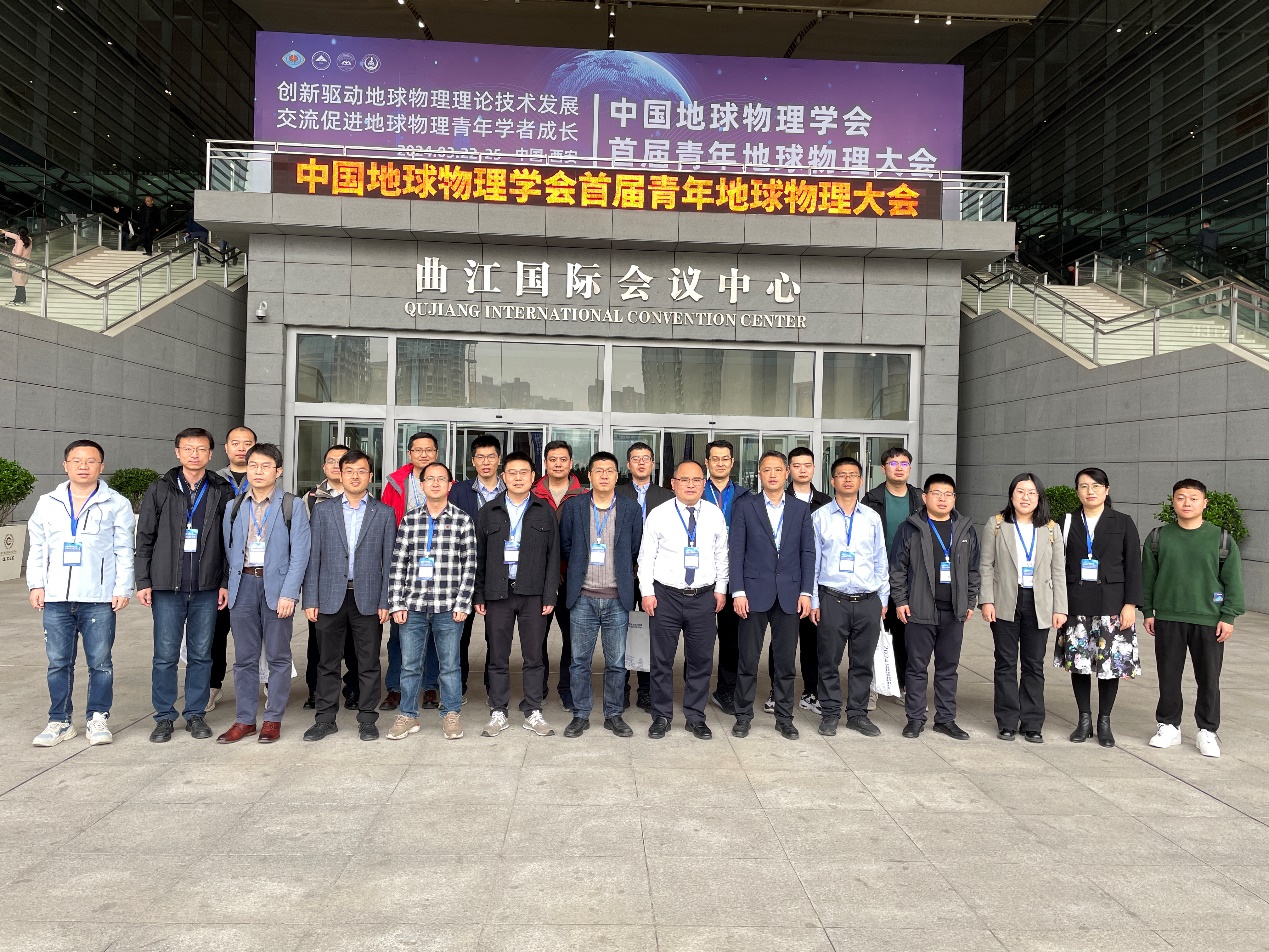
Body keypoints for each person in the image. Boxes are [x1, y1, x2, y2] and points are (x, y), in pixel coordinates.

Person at [27, 440, 135, 747]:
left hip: (98, 597)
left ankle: (97, 718)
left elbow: (124, 549)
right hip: (56, 597)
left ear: (101, 466)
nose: (83, 466)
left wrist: (122, 587)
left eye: (91, 461)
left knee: (100, 662)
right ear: (66, 465)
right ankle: (60, 721)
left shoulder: (116, 503)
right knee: (58, 662)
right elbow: (37, 547)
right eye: (77, 460)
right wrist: (36, 584)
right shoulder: (48, 502)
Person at [136, 428, 234, 743]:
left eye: (201, 449)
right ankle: (164, 717)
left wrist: (224, 581)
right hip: (167, 587)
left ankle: (195, 714)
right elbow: (145, 536)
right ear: (177, 452)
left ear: (210, 454)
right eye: (188, 448)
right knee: (165, 655)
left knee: (201, 654)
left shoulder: (221, 489)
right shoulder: (160, 488)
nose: (194, 454)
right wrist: (143, 580)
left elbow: (230, 541)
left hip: (207, 587)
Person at [1143, 478, 1245, 758]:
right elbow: (1147, 578)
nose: (1186, 503)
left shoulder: (1222, 539)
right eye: (1180, 497)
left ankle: (1207, 731)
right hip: (1168, 617)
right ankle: (1168, 726)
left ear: (1204, 503)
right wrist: (1148, 611)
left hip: (1209, 619)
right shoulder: (1158, 537)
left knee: (1209, 678)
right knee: (1168, 675)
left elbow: (1233, 580)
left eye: (1193, 498)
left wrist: (1229, 615)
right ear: (1173, 502)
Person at [217, 444, 310, 744]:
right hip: (242, 586)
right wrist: (227, 586)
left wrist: (289, 594)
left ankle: (272, 719)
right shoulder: (234, 506)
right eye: (253, 465)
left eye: (265, 466)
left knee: (278, 657)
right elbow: (228, 550)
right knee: (243, 658)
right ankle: (244, 720)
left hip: (276, 589)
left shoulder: (292, 505)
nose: (258, 471)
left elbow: (300, 554)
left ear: (278, 471)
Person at [302, 449, 394, 742]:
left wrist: (385, 601)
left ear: (370, 476)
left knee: (368, 663)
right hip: (329, 597)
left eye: (362, 471)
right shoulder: (323, 511)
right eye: (349, 471)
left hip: (367, 599)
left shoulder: (384, 513)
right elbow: (313, 557)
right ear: (340, 475)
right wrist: (310, 598)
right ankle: (325, 719)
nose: (355, 476)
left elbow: (389, 562)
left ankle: (367, 719)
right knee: (327, 663)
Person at [638, 460, 729, 740]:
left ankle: (695, 716)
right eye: (684, 480)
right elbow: (646, 556)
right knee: (661, 660)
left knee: (701, 661)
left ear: (704, 483)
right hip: (665, 596)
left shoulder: (714, 514)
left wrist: (721, 588)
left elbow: (721, 555)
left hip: (703, 597)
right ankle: (661, 716)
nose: (691, 485)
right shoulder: (659, 514)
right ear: (673, 483)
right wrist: (646, 591)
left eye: (697, 480)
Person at [1054, 467, 1142, 748]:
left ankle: (1104, 721)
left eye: (1096, 486)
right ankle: (1084, 719)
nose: (1090, 491)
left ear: (1107, 490)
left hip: (1112, 604)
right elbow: (1056, 564)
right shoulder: (1066, 521)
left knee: (1109, 666)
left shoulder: (1123, 522)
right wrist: (1058, 604)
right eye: (1083, 486)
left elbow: (1134, 566)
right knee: (1079, 664)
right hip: (1076, 602)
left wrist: (1130, 605)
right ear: (1077, 491)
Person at [387, 462, 475, 741]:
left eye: (441, 479)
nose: (435, 483)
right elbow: (398, 564)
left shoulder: (462, 520)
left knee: (450, 666)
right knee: (409, 665)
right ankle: (408, 715)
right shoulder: (410, 519)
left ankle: (451, 713)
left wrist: (463, 604)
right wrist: (397, 603)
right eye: (430, 479)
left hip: (448, 607)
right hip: (412, 606)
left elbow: (469, 565)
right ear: (422, 484)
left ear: (450, 485)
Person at [475, 452, 561, 738]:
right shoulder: (489, 511)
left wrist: (549, 595)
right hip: (498, 593)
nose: (518, 477)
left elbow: (553, 556)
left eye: (524, 472)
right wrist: (479, 595)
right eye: (512, 472)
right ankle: (498, 711)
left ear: (533, 477)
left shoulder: (544, 510)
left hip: (532, 594)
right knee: (497, 656)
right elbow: (480, 557)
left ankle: (533, 710)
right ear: (503, 477)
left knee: (533, 656)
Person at [730, 451, 814, 740]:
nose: (773, 475)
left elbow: (807, 552)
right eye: (767, 470)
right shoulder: (745, 506)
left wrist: (806, 592)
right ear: (760, 474)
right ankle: (743, 716)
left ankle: (784, 717)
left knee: (786, 663)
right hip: (752, 594)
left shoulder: (800, 509)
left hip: (790, 594)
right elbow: (736, 551)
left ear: (786, 473)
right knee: (747, 660)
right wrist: (738, 591)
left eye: (778, 469)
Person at [978, 473, 1067, 744]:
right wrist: (986, 600)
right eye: (1020, 491)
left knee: (1033, 664)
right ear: (1011, 495)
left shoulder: (1050, 528)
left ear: (1039, 497)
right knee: (1005, 662)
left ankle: (1032, 723)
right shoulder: (996, 524)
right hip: (1005, 599)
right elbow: (986, 565)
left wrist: (1060, 607)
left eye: (1031, 492)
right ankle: (1006, 721)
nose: (1025, 497)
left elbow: (1058, 570)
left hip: (1039, 601)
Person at [890, 474, 980, 741]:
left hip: (954, 611)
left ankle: (945, 719)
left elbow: (973, 570)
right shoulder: (911, 528)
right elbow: (897, 568)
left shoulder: (965, 529)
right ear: (925, 497)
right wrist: (901, 601)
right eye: (936, 493)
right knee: (916, 667)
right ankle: (915, 719)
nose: (942, 499)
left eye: (948, 494)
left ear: (954, 499)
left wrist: (970, 601)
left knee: (948, 668)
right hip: (919, 609)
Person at [560, 452, 643, 738]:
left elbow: (635, 548)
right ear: (589, 475)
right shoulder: (575, 507)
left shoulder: (630, 508)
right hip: (582, 597)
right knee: (579, 661)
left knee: (616, 662)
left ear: (617, 475)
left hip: (617, 598)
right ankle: (580, 714)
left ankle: (613, 714)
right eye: (599, 470)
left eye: (610, 470)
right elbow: (566, 545)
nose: (604, 475)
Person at [809, 457, 888, 737]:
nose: (847, 479)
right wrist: (815, 601)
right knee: (828, 661)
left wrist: (883, 598)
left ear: (860, 480)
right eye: (841, 475)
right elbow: (814, 562)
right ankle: (830, 713)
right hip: (833, 599)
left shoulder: (872, 518)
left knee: (862, 663)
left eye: (853, 474)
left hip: (867, 600)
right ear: (832, 481)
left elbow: (880, 559)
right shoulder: (819, 517)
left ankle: (857, 714)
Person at [381, 430, 446, 711]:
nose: (423, 454)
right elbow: (385, 523)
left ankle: (430, 686)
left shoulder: (444, 481)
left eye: (429, 450)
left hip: (440, 568)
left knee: (434, 631)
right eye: (418, 450)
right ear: (409, 454)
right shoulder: (395, 484)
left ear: (436, 453)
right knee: (400, 631)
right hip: (405, 567)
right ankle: (395, 687)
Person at [767, 446, 831, 716]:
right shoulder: (779, 498)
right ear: (788, 470)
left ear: (814, 468)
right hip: (783, 581)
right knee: (781, 641)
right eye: (796, 465)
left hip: (813, 581)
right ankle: (776, 691)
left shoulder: (826, 502)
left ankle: (811, 691)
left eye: (807, 465)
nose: (802, 470)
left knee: (812, 639)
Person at [862, 446, 923, 708]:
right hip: (878, 577)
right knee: (874, 632)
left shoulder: (920, 499)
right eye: (893, 463)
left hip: (913, 578)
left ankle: (903, 685)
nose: (899, 468)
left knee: (908, 635)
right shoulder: (871, 499)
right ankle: (872, 686)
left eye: (904, 463)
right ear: (883, 468)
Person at [447, 433, 506, 706]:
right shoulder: (459, 491)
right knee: (460, 634)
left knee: (496, 635)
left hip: (499, 571)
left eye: (491, 456)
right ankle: (457, 686)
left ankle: (493, 687)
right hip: (464, 571)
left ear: (499, 459)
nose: (486, 462)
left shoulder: (509, 489)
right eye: (480, 457)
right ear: (473, 461)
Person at [616, 441, 673, 712]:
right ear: (628, 464)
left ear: (653, 464)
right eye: (635, 458)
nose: (641, 462)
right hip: (623, 573)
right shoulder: (617, 492)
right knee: (622, 630)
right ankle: (621, 688)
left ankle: (647, 690)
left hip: (655, 575)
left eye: (646, 458)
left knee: (652, 633)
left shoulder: (667, 496)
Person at [302, 443, 359, 711]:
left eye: (342, 461)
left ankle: (353, 688)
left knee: (354, 642)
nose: (337, 465)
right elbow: (305, 544)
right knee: (318, 641)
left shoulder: (363, 496)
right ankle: (316, 690)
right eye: (331, 461)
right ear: (324, 467)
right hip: (324, 582)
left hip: (355, 583)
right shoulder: (311, 499)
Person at [532, 439, 587, 709]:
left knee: (572, 639)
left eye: (563, 459)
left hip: (572, 581)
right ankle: (538, 688)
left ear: (571, 463)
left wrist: (565, 570)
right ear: (545, 463)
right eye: (552, 459)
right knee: (536, 639)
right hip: (538, 581)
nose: (558, 464)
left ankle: (567, 688)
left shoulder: (584, 495)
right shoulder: (532, 493)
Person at [208, 425, 255, 713]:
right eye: (235, 443)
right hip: (218, 567)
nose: (241, 448)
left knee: (258, 633)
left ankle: (266, 681)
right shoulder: (212, 481)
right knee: (215, 631)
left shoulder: (263, 477)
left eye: (247, 443)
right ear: (225, 448)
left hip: (253, 568)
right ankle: (213, 685)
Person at [702, 439, 749, 716]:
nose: (720, 463)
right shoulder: (696, 491)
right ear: (707, 462)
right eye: (715, 458)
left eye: (725, 459)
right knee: (699, 638)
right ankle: (695, 689)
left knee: (732, 639)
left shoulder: (746, 496)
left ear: (732, 462)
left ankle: (726, 690)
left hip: (734, 576)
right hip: (701, 575)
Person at [3, 225, 32, 306]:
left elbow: (18, 253)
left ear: (18, 233)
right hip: (25, 263)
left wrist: (12, 254)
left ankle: (21, 300)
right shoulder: (29, 240)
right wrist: (5, 233)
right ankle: (17, 299)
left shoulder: (20, 241)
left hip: (18, 263)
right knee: (20, 282)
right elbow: (16, 237)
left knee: (19, 283)